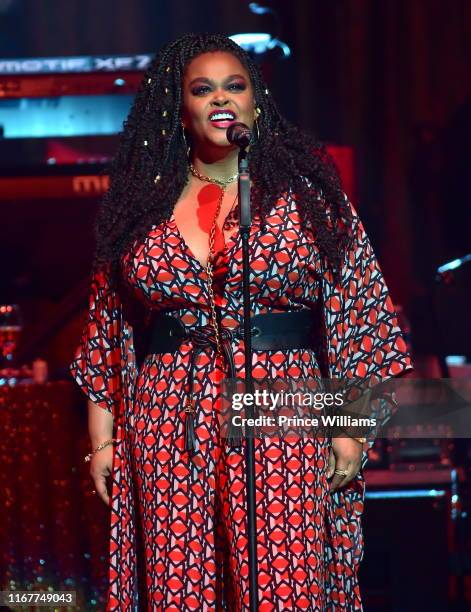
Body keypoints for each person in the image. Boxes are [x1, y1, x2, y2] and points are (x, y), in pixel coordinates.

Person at [70, 33, 413, 611]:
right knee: (179, 583)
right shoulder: (141, 207)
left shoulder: (309, 199)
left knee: (284, 582)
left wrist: (352, 428)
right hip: (167, 412)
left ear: (257, 101)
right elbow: (108, 330)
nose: (220, 98)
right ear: (179, 109)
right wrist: (102, 442)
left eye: (235, 85)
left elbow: (362, 311)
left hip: (281, 403)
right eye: (201, 89)